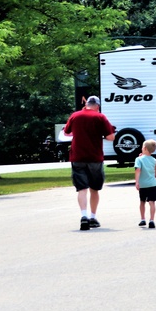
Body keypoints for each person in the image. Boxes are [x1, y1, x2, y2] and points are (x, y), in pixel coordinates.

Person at [62, 96, 116, 230]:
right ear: (97, 106)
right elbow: (110, 137)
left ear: (86, 104)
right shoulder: (100, 117)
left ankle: (83, 216)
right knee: (94, 188)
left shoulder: (75, 116)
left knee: (82, 188)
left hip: (77, 156)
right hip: (95, 157)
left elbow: (66, 132)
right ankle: (93, 217)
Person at [134, 139, 156, 228]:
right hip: (153, 184)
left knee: (142, 202)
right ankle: (152, 220)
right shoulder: (154, 160)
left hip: (143, 184)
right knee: (152, 202)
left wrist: (137, 182)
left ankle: (142, 219)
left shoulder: (138, 159)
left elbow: (138, 170)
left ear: (144, 148)